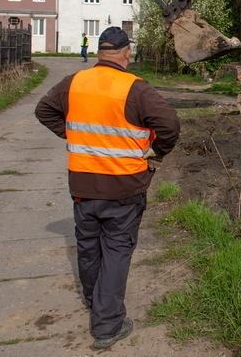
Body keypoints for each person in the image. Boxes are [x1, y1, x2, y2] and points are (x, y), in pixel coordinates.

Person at [35, 26, 180, 349]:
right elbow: (169, 125)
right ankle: (107, 324)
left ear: (99, 53)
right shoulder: (136, 88)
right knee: (116, 250)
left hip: (83, 184)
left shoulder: (74, 82)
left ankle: (95, 301)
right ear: (127, 54)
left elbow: (43, 110)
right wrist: (155, 153)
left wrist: (72, 135)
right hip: (124, 186)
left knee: (88, 246)